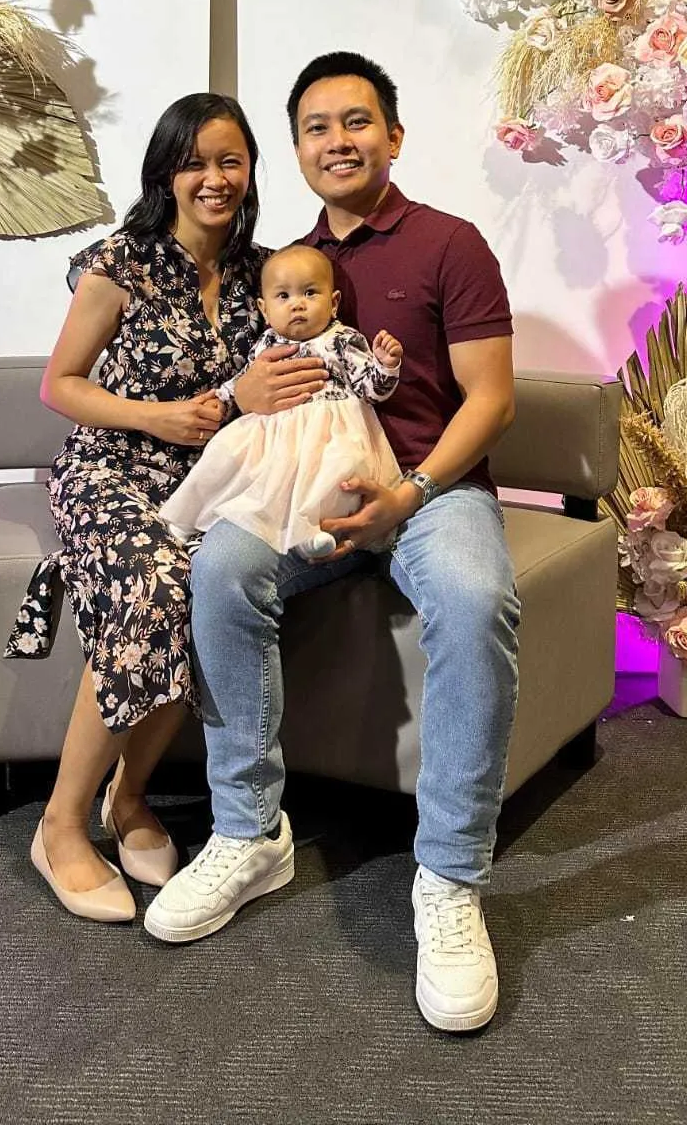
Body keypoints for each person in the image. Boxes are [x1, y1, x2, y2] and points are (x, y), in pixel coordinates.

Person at [144, 53, 519, 1035]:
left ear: (393, 136)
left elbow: (494, 396)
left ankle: (447, 877)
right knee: (221, 565)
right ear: (297, 148)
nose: (337, 139)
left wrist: (415, 488)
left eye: (357, 121)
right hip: (309, 489)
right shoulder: (283, 266)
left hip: (432, 490)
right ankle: (247, 830)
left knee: (478, 601)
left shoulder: (450, 243)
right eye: (316, 126)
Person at [4, 93, 266, 923]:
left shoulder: (266, 274)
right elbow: (60, 386)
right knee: (154, 586)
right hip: (109, 472)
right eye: (195, 162)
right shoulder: (123, 263)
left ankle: (129, 800)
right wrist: (156, 416)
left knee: (209, 589)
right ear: (165, 173)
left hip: (206, 484)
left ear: (250, 170)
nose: (213, 179)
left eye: (229, 160)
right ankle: (59, 825)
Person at [159, 243, 403, 558]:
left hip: (329, 433)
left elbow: (371, 390)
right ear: (264, 309)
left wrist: (385, 365)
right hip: (272, 431)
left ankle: (311, 534)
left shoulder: (342, 340)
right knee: (224, 451)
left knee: (337, 470)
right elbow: (244, 380)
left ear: (333, 303)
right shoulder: (267, 343)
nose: (297, 305)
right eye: (283, 296)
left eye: (310, 293)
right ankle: (186, 517)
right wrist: (224, 397)